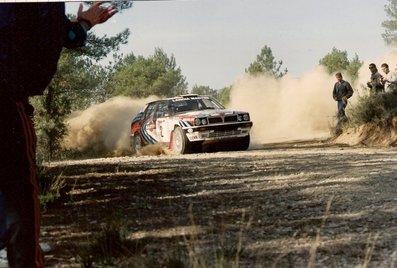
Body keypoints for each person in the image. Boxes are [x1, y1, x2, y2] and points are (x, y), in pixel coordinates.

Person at [0, 3, 117, 267]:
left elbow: (59, 34)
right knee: (19, 188)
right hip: (5, 96)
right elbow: (52, 33)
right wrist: (81, 26)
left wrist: (83, 25)